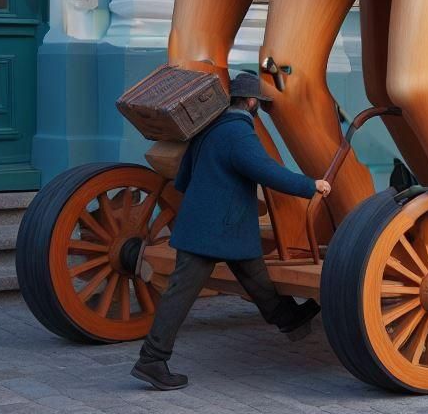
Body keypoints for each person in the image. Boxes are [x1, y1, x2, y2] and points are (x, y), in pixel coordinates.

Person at [132, 72, 331, 391]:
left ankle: (288, 319)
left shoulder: (208, 128)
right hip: (214, 231)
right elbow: (267, 171)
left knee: (257, 279)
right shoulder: (239, 132)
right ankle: (151, 359)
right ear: (252, 102)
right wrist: (311, 186)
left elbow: (183, 178)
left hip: (218, 228)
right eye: (258, 104)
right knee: (180, 295)